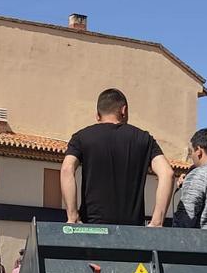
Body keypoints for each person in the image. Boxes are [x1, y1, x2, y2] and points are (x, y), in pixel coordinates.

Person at [61, 87, 175, 226]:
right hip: (132, 232)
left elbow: (67, 169)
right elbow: (167, 174)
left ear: (98, 115)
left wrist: (72, 217)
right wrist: (157, 221)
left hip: (92, 229)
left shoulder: (81, 137)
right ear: (124, 110)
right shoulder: (144, 138)